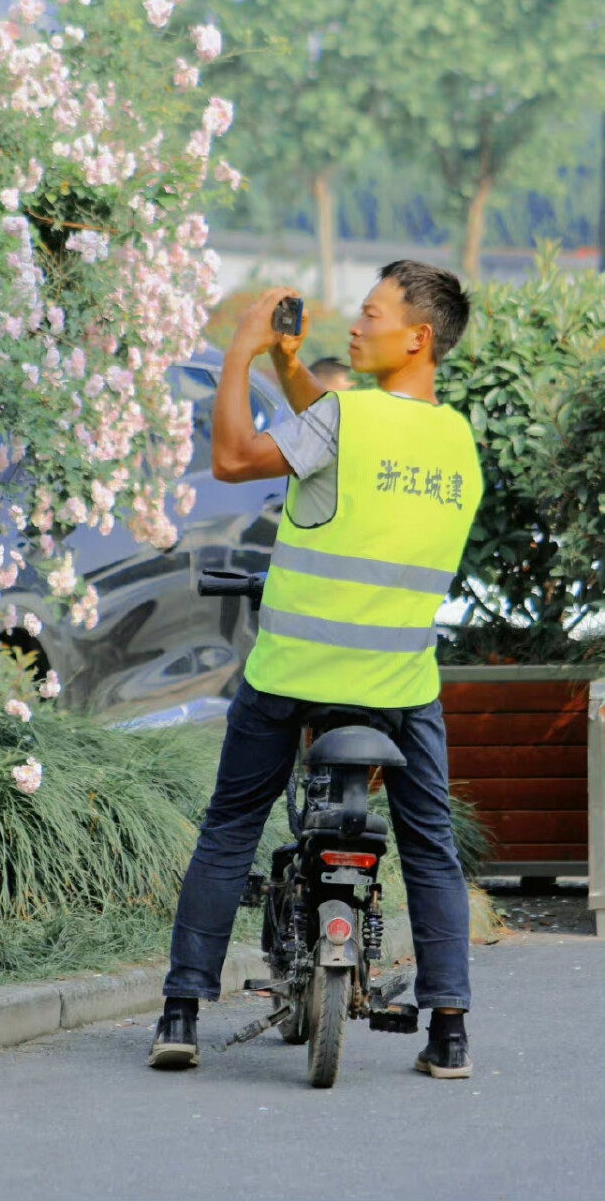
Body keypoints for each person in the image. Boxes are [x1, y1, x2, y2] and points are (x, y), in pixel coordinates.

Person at [149, 260, 484, 1080]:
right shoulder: (454, 442)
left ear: (418, 337)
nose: (356, 326)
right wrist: (289, 366)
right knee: (431, 847)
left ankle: (181, 1011)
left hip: (294, 674)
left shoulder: (347, 418)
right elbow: (335, 448)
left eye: (372, 314)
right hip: (400, 688)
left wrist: (241, 351)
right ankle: (448, 1032)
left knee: (230, 827)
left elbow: (234, 458)